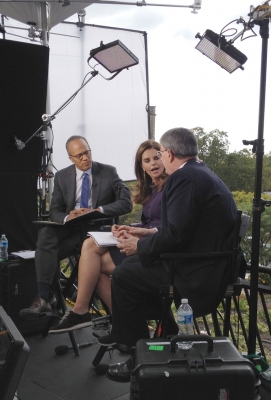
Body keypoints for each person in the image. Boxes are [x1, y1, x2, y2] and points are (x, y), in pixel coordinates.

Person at [103, 127, 237, 383]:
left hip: (196, 271)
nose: (160, 159)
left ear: (171, 154)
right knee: (133, 266)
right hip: (205, 262)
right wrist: (143, 240)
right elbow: (180, 230)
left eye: (161, 153)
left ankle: (136, 356)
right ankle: (164, 333)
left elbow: (175, 234)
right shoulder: (201, 173)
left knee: (123, 275)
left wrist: (138, 247)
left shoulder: (183, 178)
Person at [48, 139, 167, 333]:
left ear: (166, 157)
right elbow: (148, 222)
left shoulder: (170, 186)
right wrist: (127, 227)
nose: (153, 163)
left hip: (151, 245)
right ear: (142, 167)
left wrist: (99, 211)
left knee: (92, 263)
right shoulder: (152, 189)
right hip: (133, 235)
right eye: (147, 161)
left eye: (156, 158)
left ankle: (107, 318)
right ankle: (126, 322)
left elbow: (161, 226)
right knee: (89, 250)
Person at [19, 135, 133, 318]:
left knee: (48, 251)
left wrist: (98, 209)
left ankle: (51, 299)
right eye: (79, 155)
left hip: (97, 229)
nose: (85, 158)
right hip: (73, 227)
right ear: (70, 158)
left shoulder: (108, 172)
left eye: (87, 153)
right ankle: (43, 298)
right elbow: (54, 210)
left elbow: (126, 204)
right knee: (46, 235)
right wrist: (67, 216)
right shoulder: (62, 176)